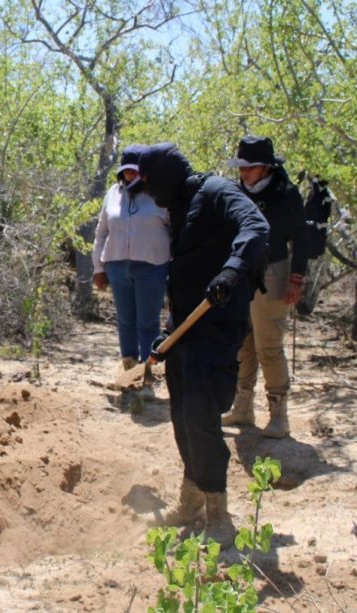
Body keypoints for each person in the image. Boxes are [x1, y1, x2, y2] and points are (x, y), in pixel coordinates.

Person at [138, 143, 269, 539]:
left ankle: (219, 518)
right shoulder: (181, 206)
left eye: (149, 183)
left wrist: (231, 272)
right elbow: (188, 276)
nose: (149, 193)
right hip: (187, 330)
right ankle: (191, 503)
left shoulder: (216, 191)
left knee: (200, 415)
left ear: (167, 175)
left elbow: (256, 227)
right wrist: (169, 331)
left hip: (217, 328)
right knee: (181, 415)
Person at [221, 136, 310, 438]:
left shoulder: (286, 195)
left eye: (251, 167)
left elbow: (302, 238)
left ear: (267, 167)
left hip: (273, 271)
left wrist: (296, 279)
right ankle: (243, 407)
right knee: (242, 341)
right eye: (242, 167)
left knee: (269, 345)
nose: (245, 173)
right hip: (239, 271)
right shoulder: (234, 192)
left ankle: (279, 415)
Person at [92, 144, 170, 393]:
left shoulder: (160, 195)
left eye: (135, 171)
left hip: (152, 265)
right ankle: (128, 373)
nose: (130, 176)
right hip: (117, 265)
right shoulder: (113, 193)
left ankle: (147, 377)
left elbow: (174, 230)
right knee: (125, 320)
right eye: (126, 171)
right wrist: (98, 267)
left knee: (147, 322)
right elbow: (101, 231)